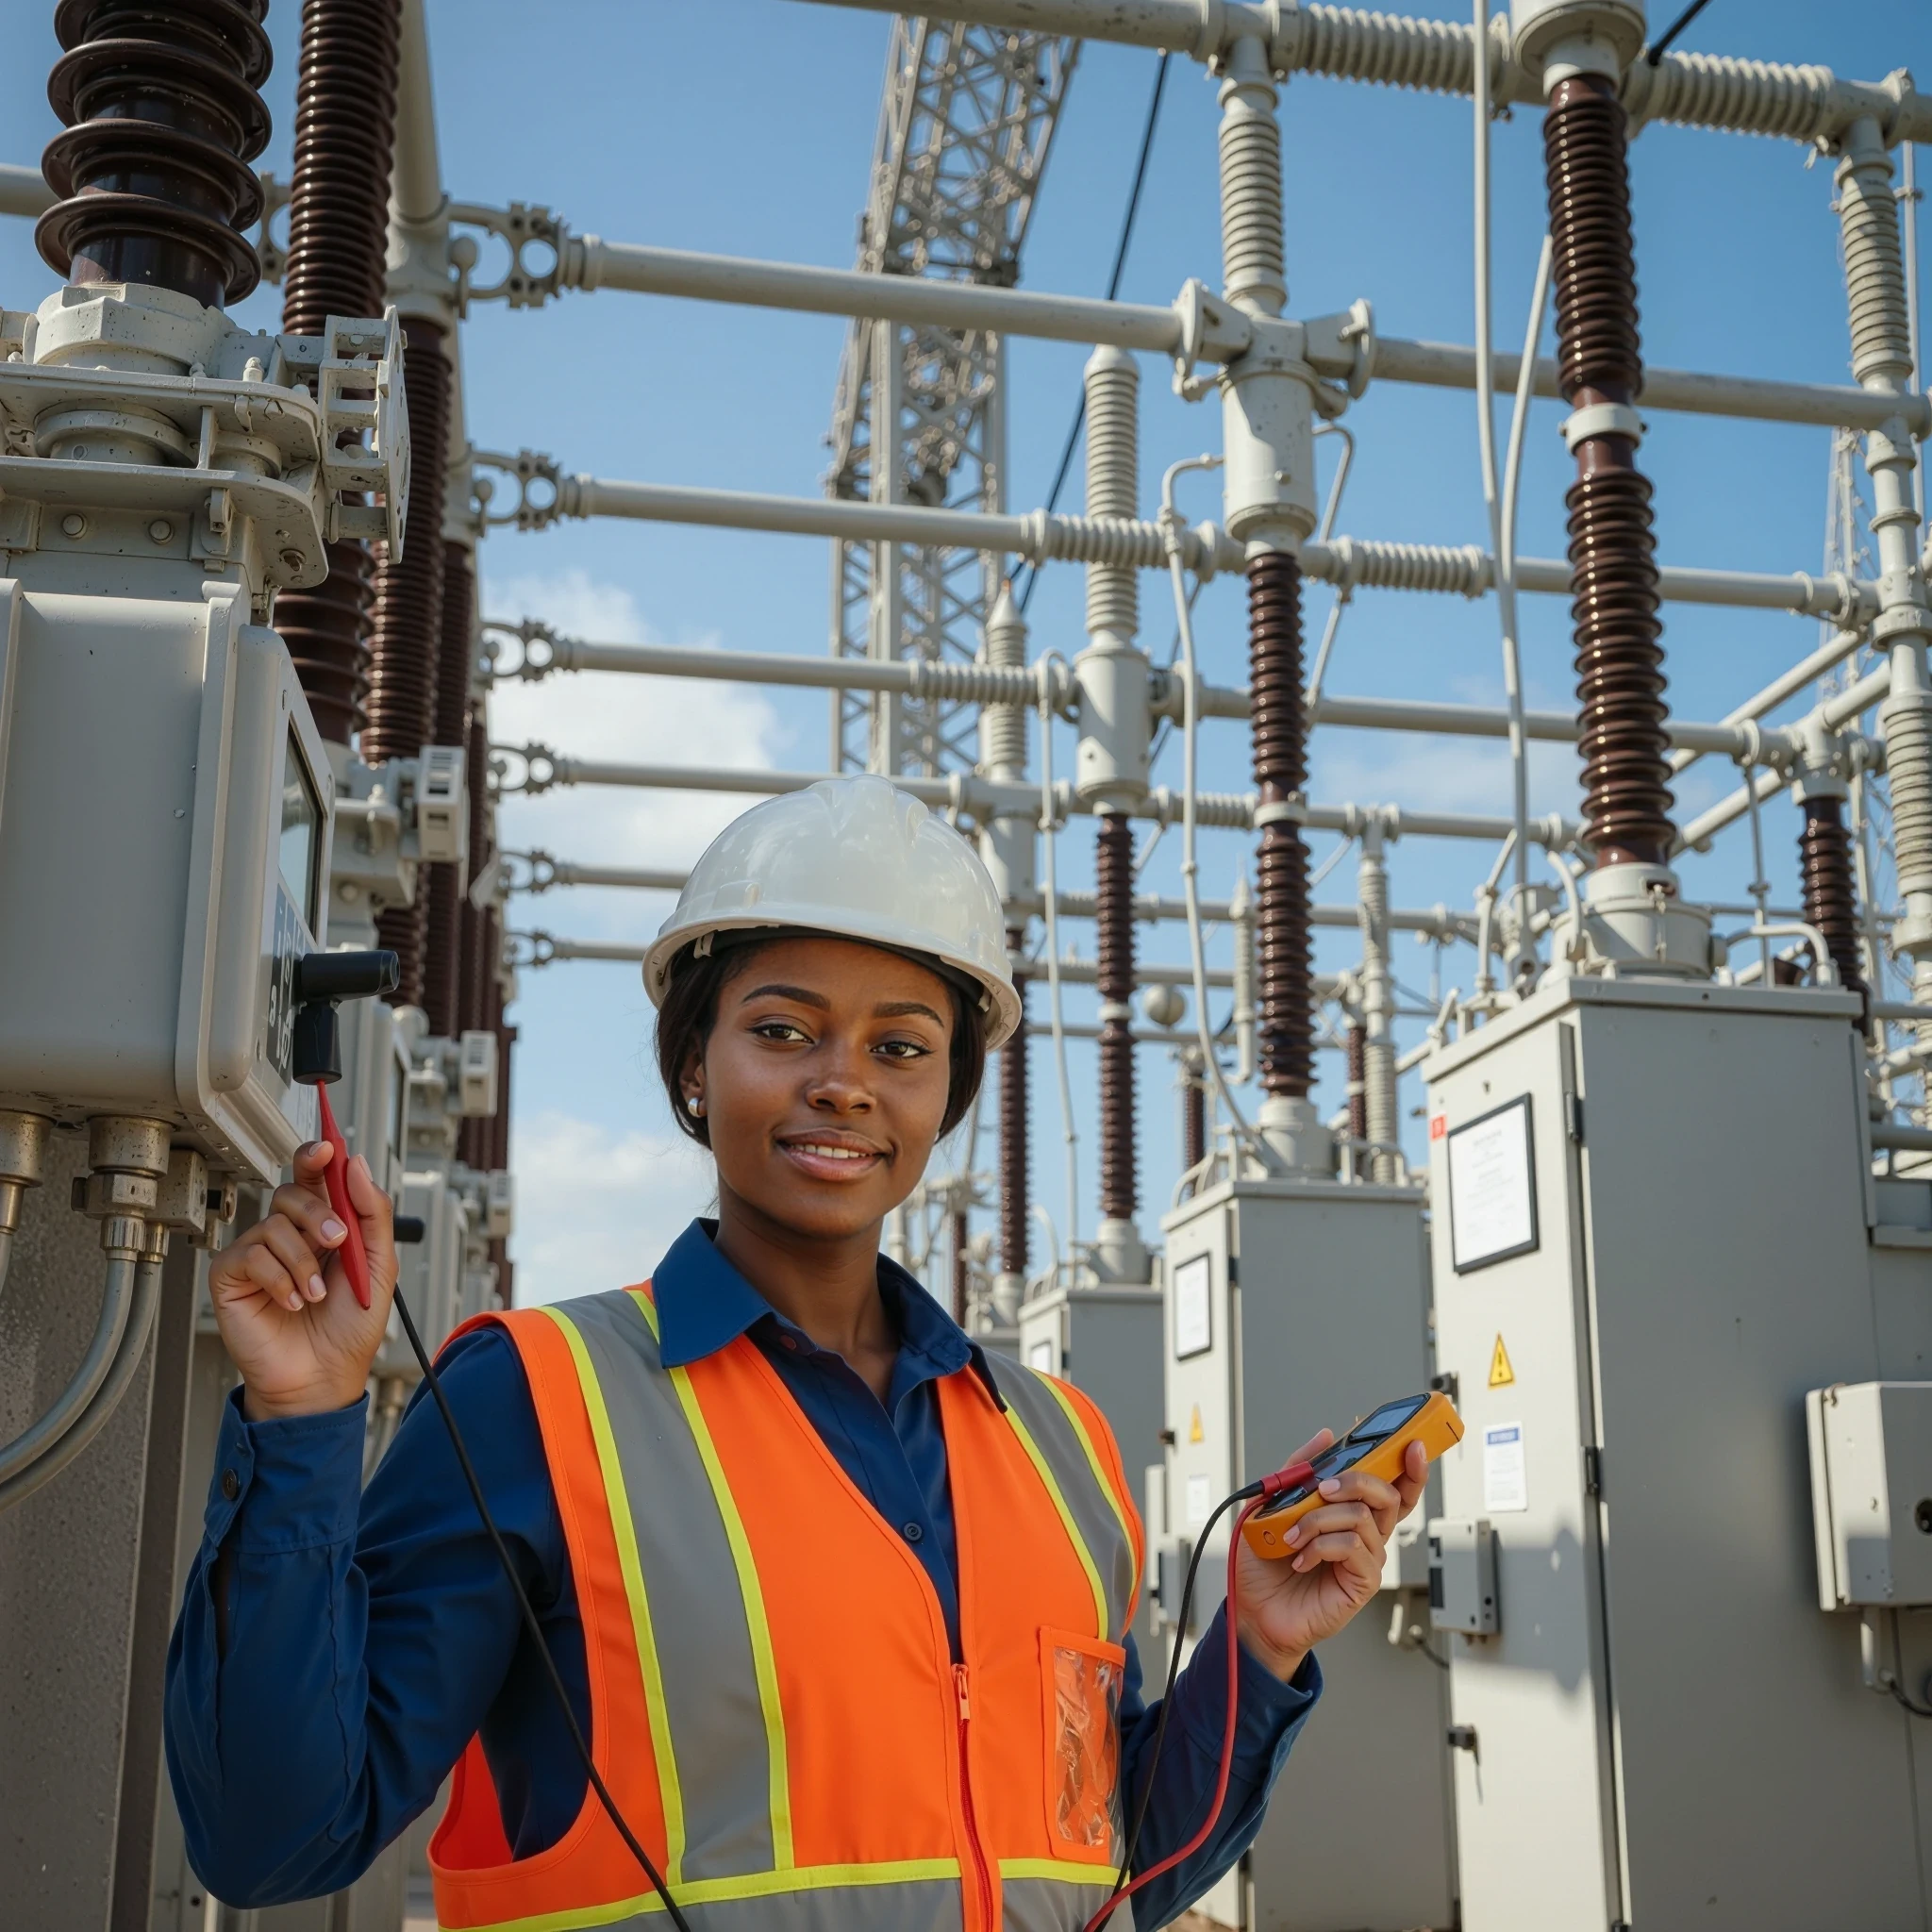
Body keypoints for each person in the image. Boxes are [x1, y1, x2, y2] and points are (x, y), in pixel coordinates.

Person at [165, 774, 1425, 1931]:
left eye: (901, 1047)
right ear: (694, 1068)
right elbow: (278, 1837)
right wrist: (301, 1421)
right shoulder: (537, 1405)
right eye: (784, 1031)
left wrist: (1255, 1651)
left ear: (945, 1099)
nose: (844, 1083)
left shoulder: (1058, 1448)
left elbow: (1106, 1868)